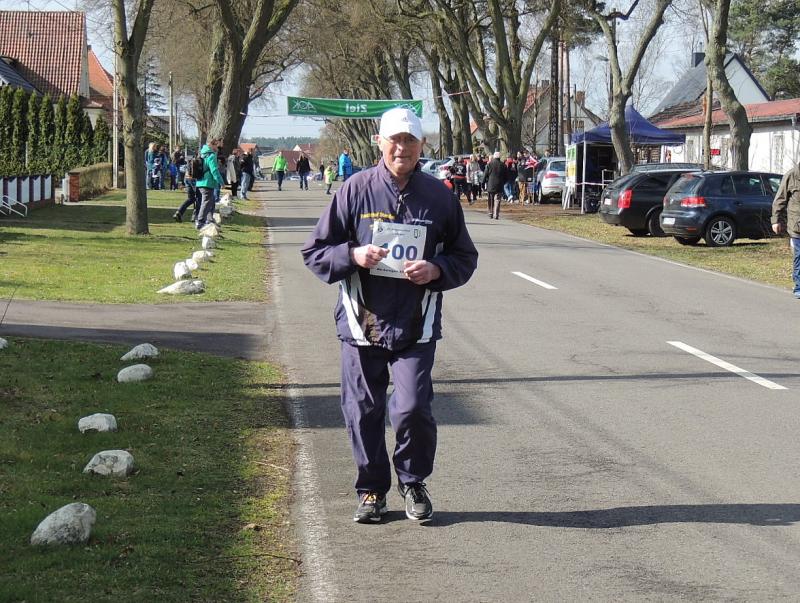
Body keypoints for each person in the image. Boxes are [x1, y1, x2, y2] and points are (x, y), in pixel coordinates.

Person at [301, 107, 478, 524]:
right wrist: (353, 255)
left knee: (413, 407)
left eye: (410, 141)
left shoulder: (440, 197)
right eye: (395, 140)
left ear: (422, 145)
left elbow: (464, 257)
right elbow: (315, 252)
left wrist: (436, 270)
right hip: (361, 324)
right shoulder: (355, 190)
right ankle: (371, 490)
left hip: (416, 325)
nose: (402, 148)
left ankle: (413, 481)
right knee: (363, 411)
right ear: (380, 142)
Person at [771, 162, 800, 299]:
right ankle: (799, 286)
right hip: (797, 226)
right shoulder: (792, 175)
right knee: (799, 256)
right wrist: (775, 220)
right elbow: (780, 200)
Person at [194, 139, 224, 229]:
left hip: (200, 181)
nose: (218, 148)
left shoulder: (202, 153)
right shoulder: (211, 155)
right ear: (213, 145)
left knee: (210, 201)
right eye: (217, 146)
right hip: (207, 182)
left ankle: (209, 219)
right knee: (206, 202)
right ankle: (200, 221)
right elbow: (214, 170)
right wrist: (221, 182)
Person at [483, 151, 506, 219]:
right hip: (499, 184)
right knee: (498, 199)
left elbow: (485, 174)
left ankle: (490, 212)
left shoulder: (489, 164)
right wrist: (503, 182)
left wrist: (483, 182)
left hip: (491, 184)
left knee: (490, 199)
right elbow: (506, 176)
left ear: (494, 157)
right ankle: (496, 214)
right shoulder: (503, 165)